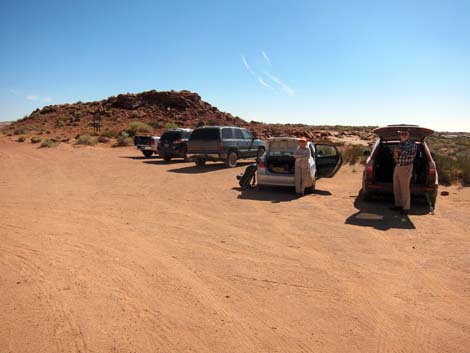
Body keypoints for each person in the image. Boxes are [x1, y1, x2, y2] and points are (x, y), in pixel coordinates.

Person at [391, 129, 417, 215]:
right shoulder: (400, 143)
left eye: (405, 134)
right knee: (396, 187)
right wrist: (395, 155)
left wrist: (399, 151)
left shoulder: (412, 144)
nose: (403, 135)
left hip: (406, 167)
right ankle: (398, 205)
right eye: (401, 134)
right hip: (398, 166)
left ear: (409, 135)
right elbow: (396, 156)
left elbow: (411, 155)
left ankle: (406, 208)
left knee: (404, 188)